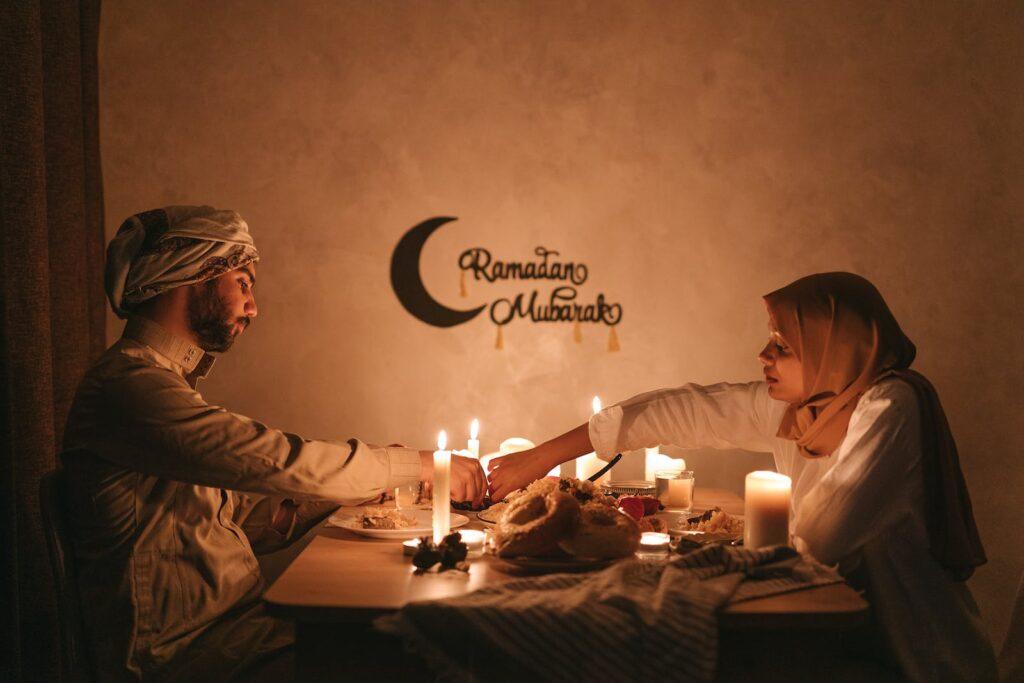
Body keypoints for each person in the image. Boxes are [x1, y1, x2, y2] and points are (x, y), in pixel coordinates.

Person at [487, 272, 996, 681]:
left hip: (910, 654)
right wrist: (542, 457)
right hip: (828, 638)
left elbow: (825, 535)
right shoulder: (805, 405)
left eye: (784, 346)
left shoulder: (891, 404)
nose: (764, 357)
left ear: (831, 352)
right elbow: (678, 410)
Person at [61, 205, 486, 681]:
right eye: (243, 282)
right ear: (191, 274)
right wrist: (415, 464)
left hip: (238, 636)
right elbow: (274, 459)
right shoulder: (129, 388)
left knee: (417, 642)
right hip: (189, 661)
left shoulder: (159, 385)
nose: (253, 306)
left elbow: (232, 523)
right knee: (424, 655)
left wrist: (359, 491)